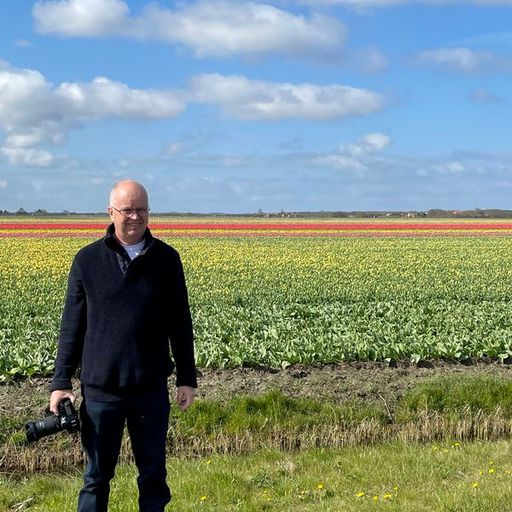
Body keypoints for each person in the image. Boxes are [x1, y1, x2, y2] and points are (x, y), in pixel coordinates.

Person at [49, 180, 197, 512]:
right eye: (128, 209)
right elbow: (72, 326)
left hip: (150, 390)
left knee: (153, 476)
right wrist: (61, 382)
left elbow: (180, 323)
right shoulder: (87, 260)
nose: (135, 216)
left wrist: (187, 377)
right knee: (96, 477)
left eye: (142, 209)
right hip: (101, 392)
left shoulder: (167, 259)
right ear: (111, 212)